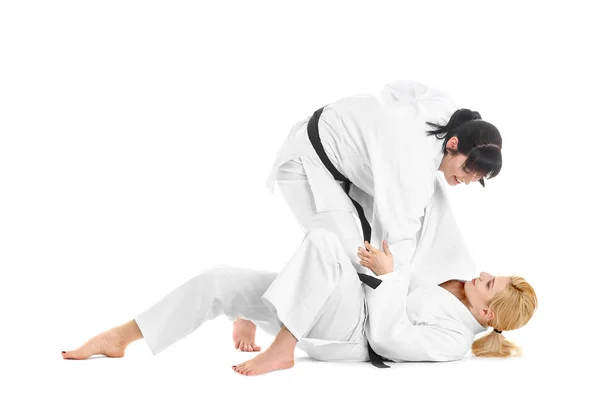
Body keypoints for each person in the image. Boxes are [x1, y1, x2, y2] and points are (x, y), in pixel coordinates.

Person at [61, 229, 537, 376]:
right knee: (217, 280)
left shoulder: (454, 341)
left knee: (326, 244)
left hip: (350, 330)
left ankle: (283, 347)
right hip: (336, 305)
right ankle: (117, 338)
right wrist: (384, 272)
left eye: (492, 284)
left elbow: (390, 339)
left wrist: (389, 279)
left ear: (487, 315)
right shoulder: (456, 288)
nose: (487, 275)